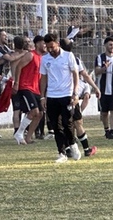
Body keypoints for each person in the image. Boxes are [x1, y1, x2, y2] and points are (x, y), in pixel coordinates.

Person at [39, 33, 81, 163]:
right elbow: (44, 78)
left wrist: (75, 93)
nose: (50, 50)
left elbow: (75, 75)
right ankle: (61, 152)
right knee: (55, 126)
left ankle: (73, 145)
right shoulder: (45, 59)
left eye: (52, 46)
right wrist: (42, 97)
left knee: (67, 123)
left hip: (66, 95)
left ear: (57, 43)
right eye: (47, 47)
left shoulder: (68, 56)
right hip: (52, 96)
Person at [94, 37, 113, 139]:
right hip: (103, 90)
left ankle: (112, 130)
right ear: (105, 45)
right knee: (104, 112)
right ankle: (106, 129)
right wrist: (104, 68)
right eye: (110, 45)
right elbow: (96, 72)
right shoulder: (99, 57)